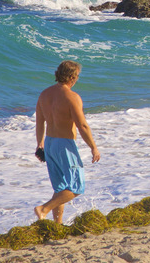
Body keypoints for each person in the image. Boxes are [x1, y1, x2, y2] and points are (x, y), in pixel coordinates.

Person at [34, 60, 100, 223]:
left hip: (49, 143)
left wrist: (40, 144)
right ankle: (44, 209)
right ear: (72, 76)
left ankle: (58, 224)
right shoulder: (72, 97)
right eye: (77, 76)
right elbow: (82, 125)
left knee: (60, 188)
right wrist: (93, 147)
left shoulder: (44, 94)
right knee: (76, 187)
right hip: (64, 145)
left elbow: (39, 121)